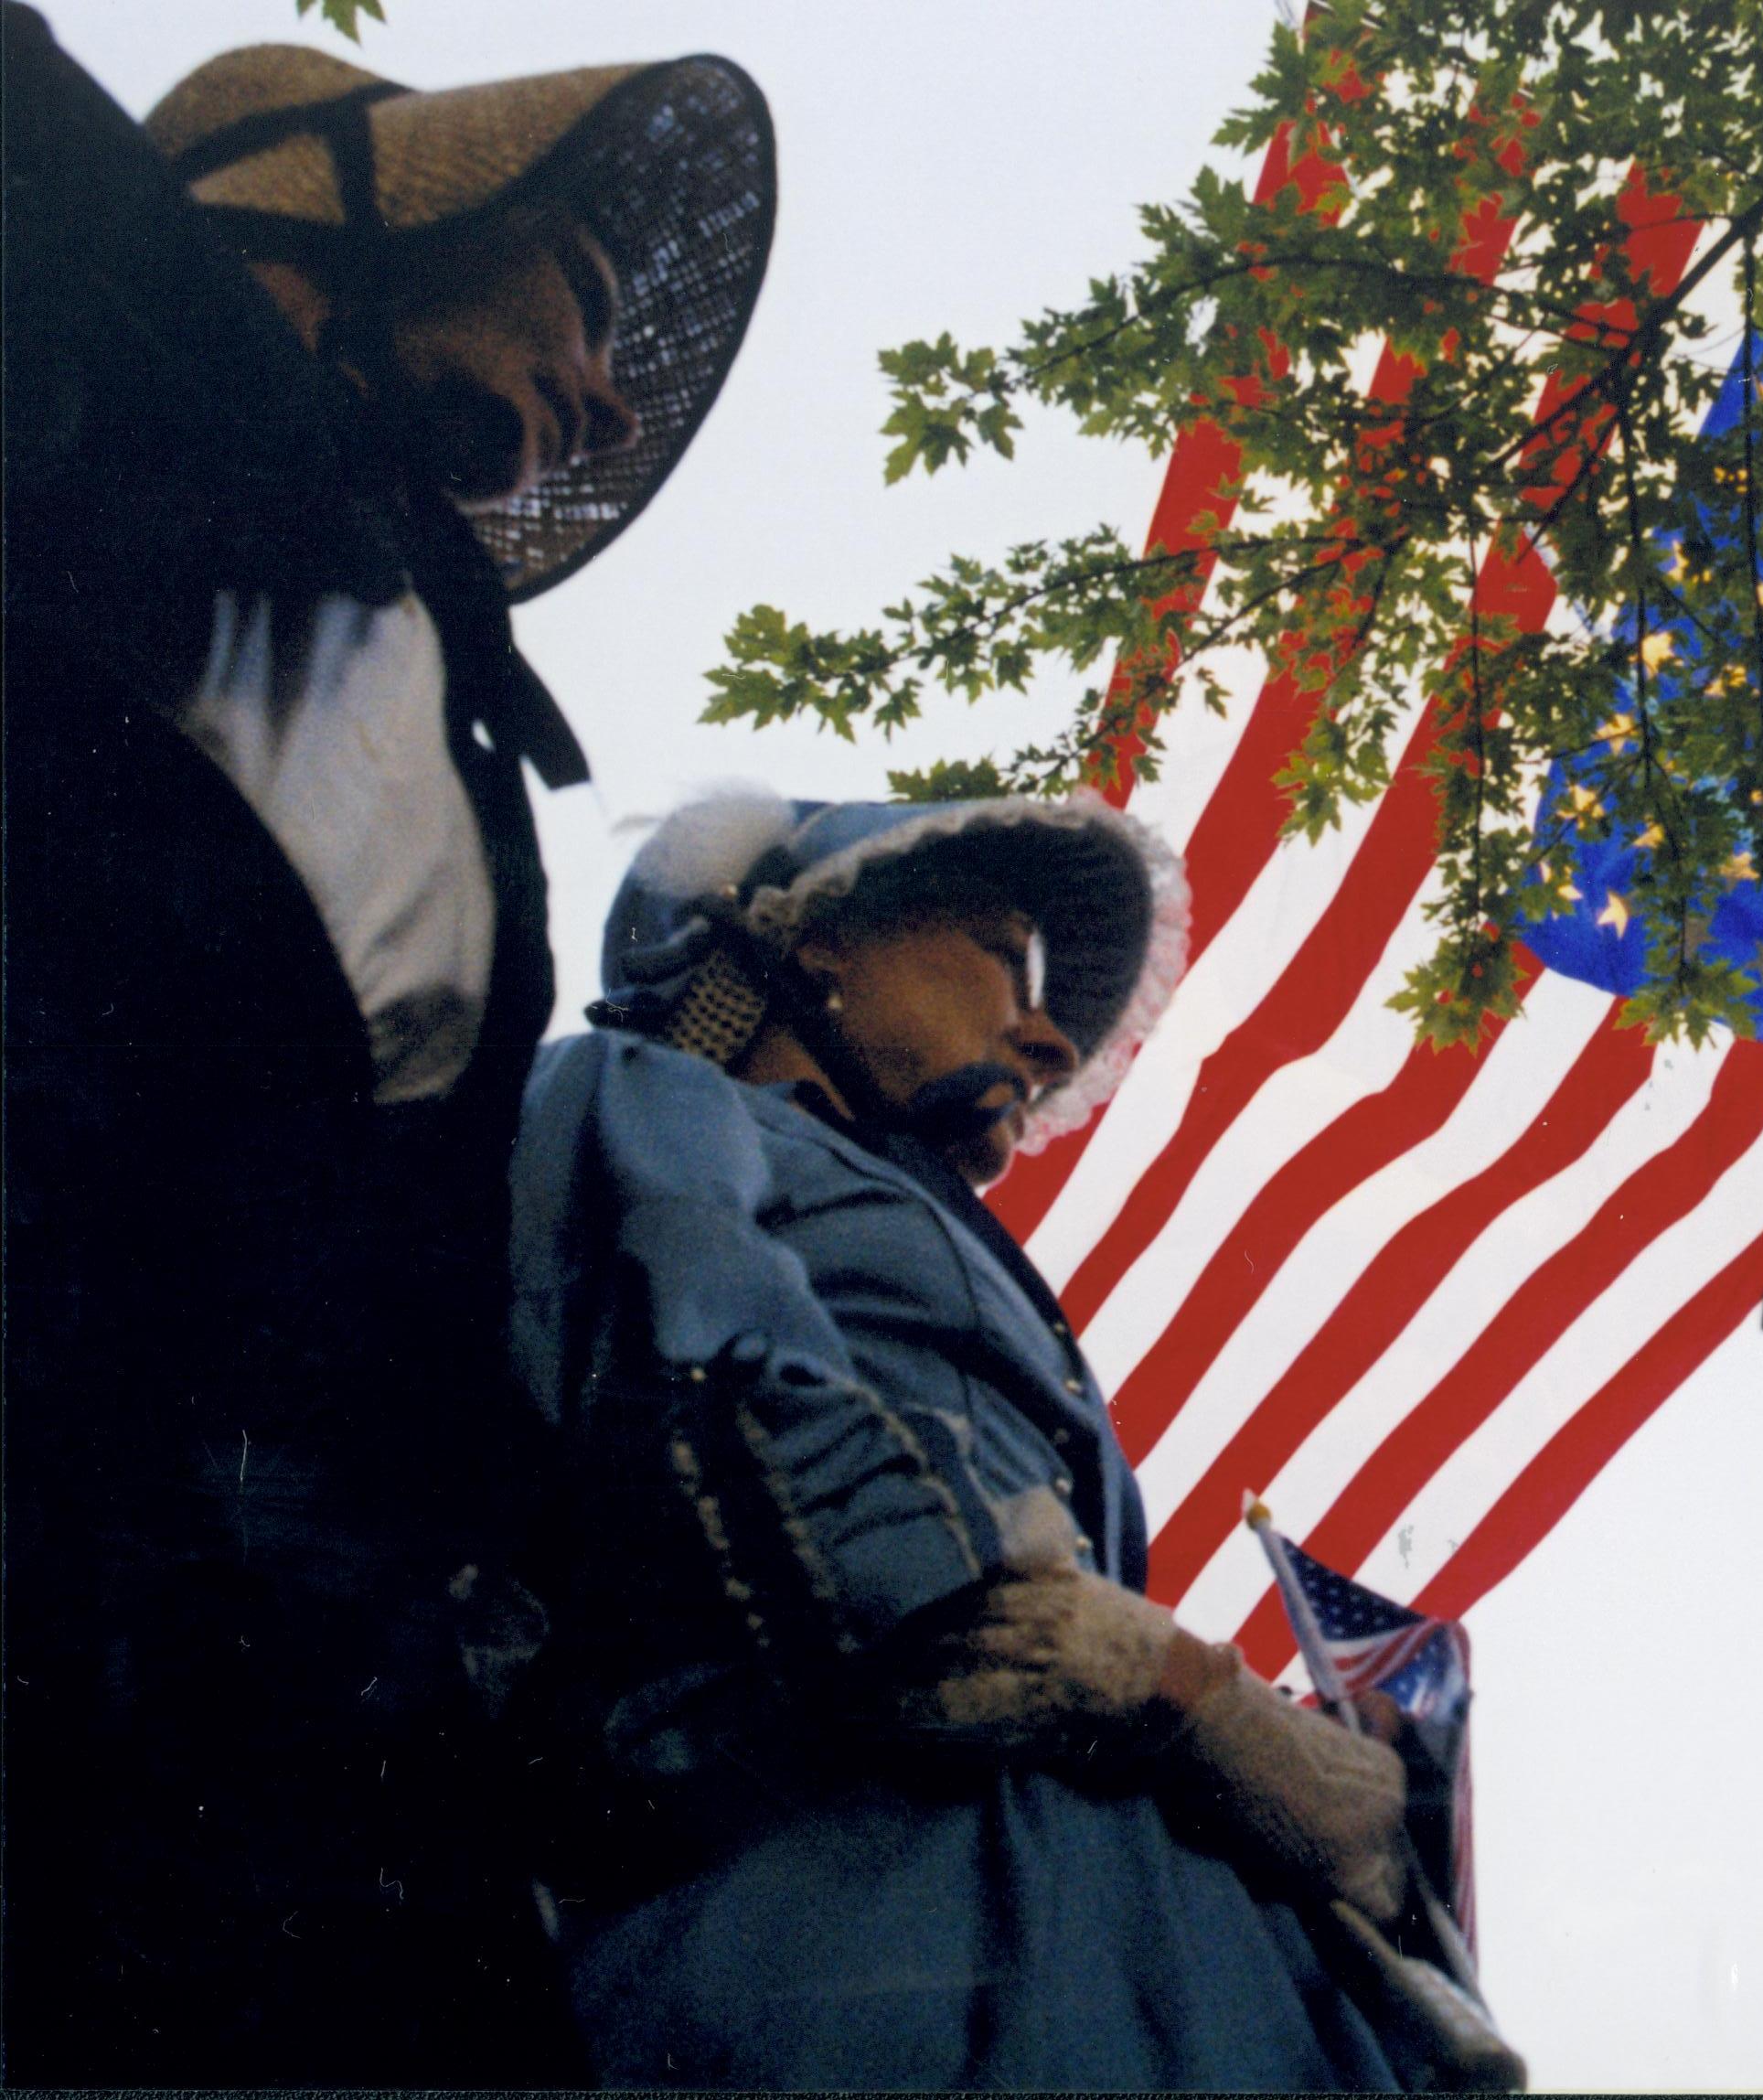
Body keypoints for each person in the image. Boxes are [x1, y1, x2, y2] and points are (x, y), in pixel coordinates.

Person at [4, 13, 773, 2080]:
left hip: (320, 1685)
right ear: (359, 207)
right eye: (585, 297)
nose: (606, 390)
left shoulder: (445, 693)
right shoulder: (103, 342)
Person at [506, 788, 1445, 2089]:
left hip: (1165, 1990)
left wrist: (1288, 1759)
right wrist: (1175, 1688)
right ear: (817, 937)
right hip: (863, 1964)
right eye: (1014, 960)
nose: (1052, 1041)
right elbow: (724, 1416)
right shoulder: (637, 1094)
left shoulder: (933, 1239)